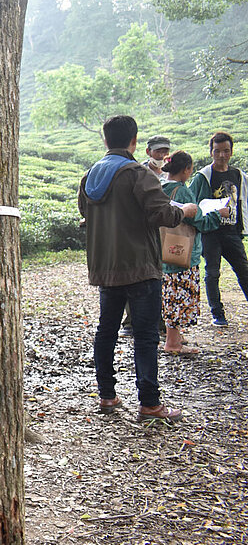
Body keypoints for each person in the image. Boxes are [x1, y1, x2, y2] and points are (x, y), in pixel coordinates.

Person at [78, 115, 197, 422]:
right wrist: (184, 209)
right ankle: (150, 403)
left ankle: (106, 395)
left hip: (106, 266)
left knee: (107, 330)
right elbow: (162, 214)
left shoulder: (91, 175)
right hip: (140, 267)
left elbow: (85, 212)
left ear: (105, 141)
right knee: (145, 335)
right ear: (134, 141)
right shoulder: (135, 173)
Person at [159, 151, 228, 354]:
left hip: (162, 249)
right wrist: (218, 214)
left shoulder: (160, 188)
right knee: (178, 294)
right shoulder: (182, 191)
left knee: (170, 292)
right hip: (181, 251)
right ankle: (173, 343)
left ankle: (175, 336)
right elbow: (200, 221)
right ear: (186, 170)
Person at [187, 131, 248, 327]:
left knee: (243, 269)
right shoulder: (203, 176)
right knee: (212, 272)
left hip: (232, 232)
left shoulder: (238, 175)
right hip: (210, 232)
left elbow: (242, 202)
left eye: (226, 151)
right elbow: (192, 202)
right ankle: (217, 314)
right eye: (217, 151)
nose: (222, 155)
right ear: (211, 152)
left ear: (231, 152)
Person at [120, 135, 173, 338]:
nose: (161, 155)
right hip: (141, 232)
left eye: (164, 151)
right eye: (157, 151)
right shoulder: (138, 173)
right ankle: (131, 320)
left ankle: (159, 320)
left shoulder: (170, 173)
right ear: (148, 152)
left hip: (164, 231)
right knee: (136, 275)